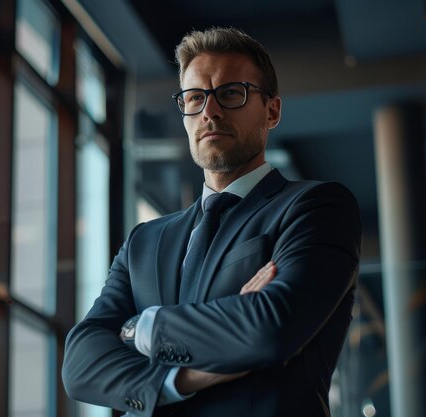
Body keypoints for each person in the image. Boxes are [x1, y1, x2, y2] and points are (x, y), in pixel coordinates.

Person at [62, 27, 361, 417]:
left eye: (231, 93)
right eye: (195, 98)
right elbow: (80, 364)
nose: (210, 111)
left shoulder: (315, 208)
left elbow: (271, 328)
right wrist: (180, 380)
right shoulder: (145, 241)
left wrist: (142, 327)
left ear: (272, 111)